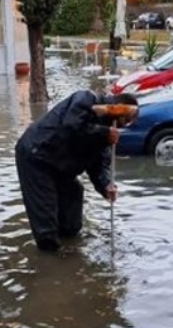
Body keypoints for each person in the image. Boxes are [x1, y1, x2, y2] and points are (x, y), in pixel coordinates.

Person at [14, 90, 139, 252]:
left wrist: (106, 185)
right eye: (125, 119)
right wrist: (103, 134)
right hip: (37, 156)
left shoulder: (107, 134)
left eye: (129, 122)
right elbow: (71, 126)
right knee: (45, 216)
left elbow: (99, 166)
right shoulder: (86, 99)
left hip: (61, 165)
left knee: (73, 197)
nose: (124, 124)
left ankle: (70, 247)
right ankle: (50, 260)